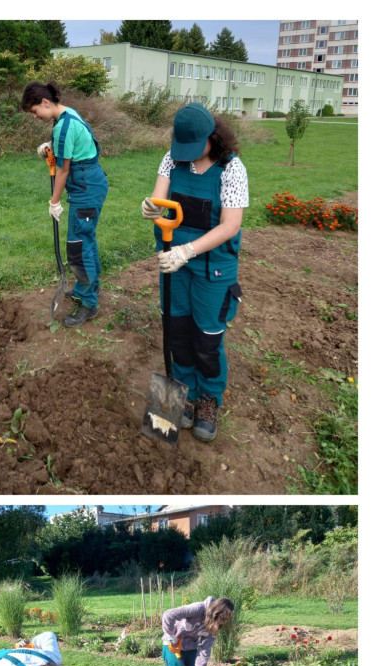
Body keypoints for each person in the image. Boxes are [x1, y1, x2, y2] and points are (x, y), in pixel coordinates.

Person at [142, 103, 249, 442]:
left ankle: (208, 399)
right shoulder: (171, 159)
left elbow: (230, 225)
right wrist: (151, 207)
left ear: (212, 137)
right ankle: (183, 392)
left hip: (212, 269)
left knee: (206, 339)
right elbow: (160, 200)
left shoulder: (231, 169)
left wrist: (188, 251)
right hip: (172, 263)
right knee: (176, 332)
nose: (185, 154)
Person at [21, 80, 110, 328]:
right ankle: (88, 288)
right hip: (91, 183)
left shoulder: (64, 126)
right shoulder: (68, 115)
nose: (35, 116)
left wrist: (54, 202)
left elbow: (63, 170)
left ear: (45, 102)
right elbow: (74, 145)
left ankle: (89, 304)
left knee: (78, 246)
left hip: (86, 188)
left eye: (34, 111)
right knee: (86, 239)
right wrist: (51, 147)